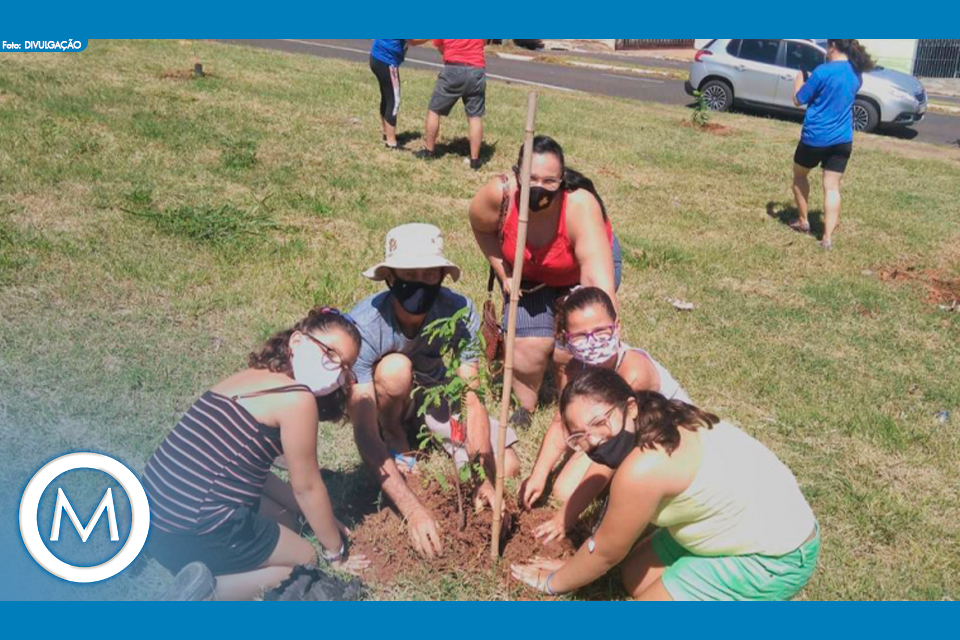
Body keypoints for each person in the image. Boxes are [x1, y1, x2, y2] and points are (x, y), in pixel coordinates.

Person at [511, 367, 820, 601]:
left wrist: (554, 582)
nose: (593, 441)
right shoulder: (659, 416)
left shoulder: (643, 468)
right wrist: (572, 567)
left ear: (629, 407)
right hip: (750, 521)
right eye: (579, 435)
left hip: (776, 556)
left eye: (599, 422)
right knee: (634, 577)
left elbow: (606, 553)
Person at [143, 307, 370, 600]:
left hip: (155, 522)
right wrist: (336, 553)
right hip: (195, 528)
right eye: (330, 353)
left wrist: (316, 517)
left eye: (345, 366)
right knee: (303, 558)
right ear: (297, 342)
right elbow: (307, 487)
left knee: (287, 521)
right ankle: (205, 594)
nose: (336, 371)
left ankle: (200, 569)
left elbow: (251, 474)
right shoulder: (296, 398)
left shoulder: (249, 377)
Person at [348, 223, 521, 559]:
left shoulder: (458, 313)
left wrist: (481, 477)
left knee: (508, 465)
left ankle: (430, 434)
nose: (420, 283)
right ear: (390, 277)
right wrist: (413, 511)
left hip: (434, 392)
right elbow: (363, 430)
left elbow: (471, 395)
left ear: (443, 275)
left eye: (430, 275)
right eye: (409, 274)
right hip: (388, 394)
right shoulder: (365, 325)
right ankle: (397, 435)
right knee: (396, 369)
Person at [517, 287, 691, 543]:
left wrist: (565, 518)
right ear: (567, 338)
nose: (592, 341)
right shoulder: (576, 368)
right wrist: (539, 474)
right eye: (580, 336)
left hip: (667, 440)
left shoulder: (634, 373)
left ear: (617, 327)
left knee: (593, 494)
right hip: (616, 435)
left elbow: (614, 450)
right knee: (564, 490)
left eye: (600, 331)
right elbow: (561, 423)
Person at [469, 135, 622, 421]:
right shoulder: (499, 194)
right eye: (532, 179)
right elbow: (480, 226)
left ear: (562, 180)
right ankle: (525, 408)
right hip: (530, 274)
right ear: (517, 175)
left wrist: (602, 329)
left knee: (572, 344)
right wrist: (504, 271)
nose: (540, 188)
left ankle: (573, 404)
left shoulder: (580, 206)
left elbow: (596, 279)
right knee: (530, 346)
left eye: (550, 182)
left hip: (575, 270)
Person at [790, 39, 875, 250]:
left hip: (815, 137)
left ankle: (803, 220)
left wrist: (799, 80)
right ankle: (827, 238)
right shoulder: (857, 74)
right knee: (832, 187)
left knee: (800, 175)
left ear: (833, 45)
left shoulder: (822, 72)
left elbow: (798, 99)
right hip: (842, 139)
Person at [414, 39, 487, 170]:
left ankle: (429, 150)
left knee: (434, 110)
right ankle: (475, 159)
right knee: (475, 116)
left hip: (454, 67)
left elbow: (439, 45)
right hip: (476, 69)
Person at [369, 39, 429, 149]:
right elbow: (413, 41)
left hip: (376, 57)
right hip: (386, 62)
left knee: (387, 98)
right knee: (393, 101)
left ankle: (387, 133)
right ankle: (391, 142)